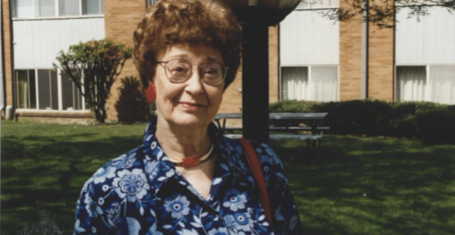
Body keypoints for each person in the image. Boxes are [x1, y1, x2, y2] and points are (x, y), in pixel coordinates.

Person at [74, 0, 302, 234]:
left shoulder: (263, 166)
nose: (195, 86)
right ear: (151, 77)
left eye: (210, 70)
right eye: (179, 69)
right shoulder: (107, 189)